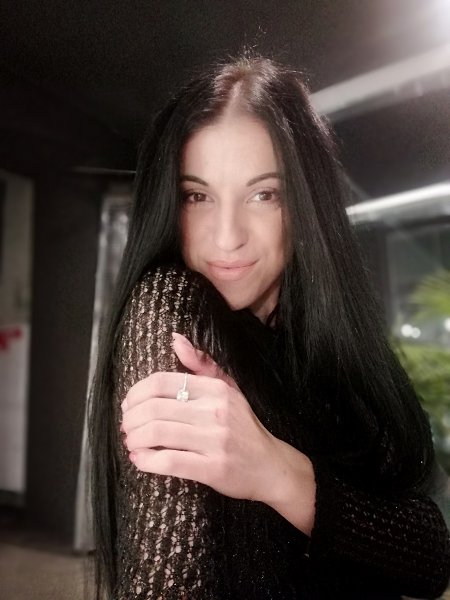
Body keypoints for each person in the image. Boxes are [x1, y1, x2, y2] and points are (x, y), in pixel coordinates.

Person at [88, 54, 450, 599]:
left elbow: (429, 559)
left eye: (264, 194)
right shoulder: (171, 307)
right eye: (197, 196)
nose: (227, 237)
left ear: (304, 203)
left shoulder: (343, 348)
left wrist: (278, 473)